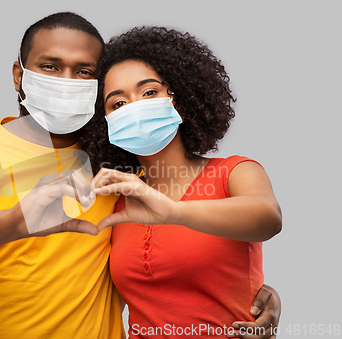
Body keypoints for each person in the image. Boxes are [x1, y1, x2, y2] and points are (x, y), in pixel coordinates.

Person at [0, 12, 280, 339]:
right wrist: (12, 226)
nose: (66, 81)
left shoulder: (112, 170)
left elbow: (220, 231)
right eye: (50, 66)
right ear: (19, 74)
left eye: (83, 72)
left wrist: (250, 293)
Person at [78, 26, 282, 338]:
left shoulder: (235, 172)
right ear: (103, 123)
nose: (134, 107)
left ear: (179, 98)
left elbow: (267, 219)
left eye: (149, 93)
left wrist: (174, 212)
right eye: (118, 103)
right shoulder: (116, 202)